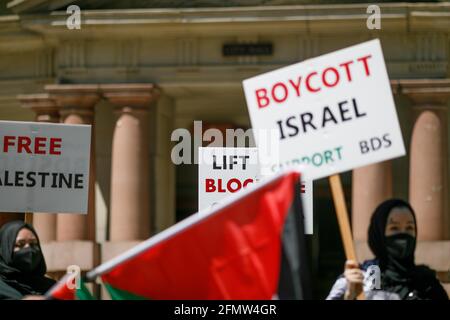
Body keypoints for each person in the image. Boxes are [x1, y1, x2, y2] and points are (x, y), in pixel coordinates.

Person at [327, 199, 448, 300]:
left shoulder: (428, 284)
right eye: (394, 228)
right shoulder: (358, 280)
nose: (403, 234)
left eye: (410, 227)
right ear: (379, 234)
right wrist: (348, 296)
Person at [0, 220, 55, 300]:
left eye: (33, 244)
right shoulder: (2, 287)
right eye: (20, 244)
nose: (28, 249)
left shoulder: (52, 287)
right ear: (5, 249)